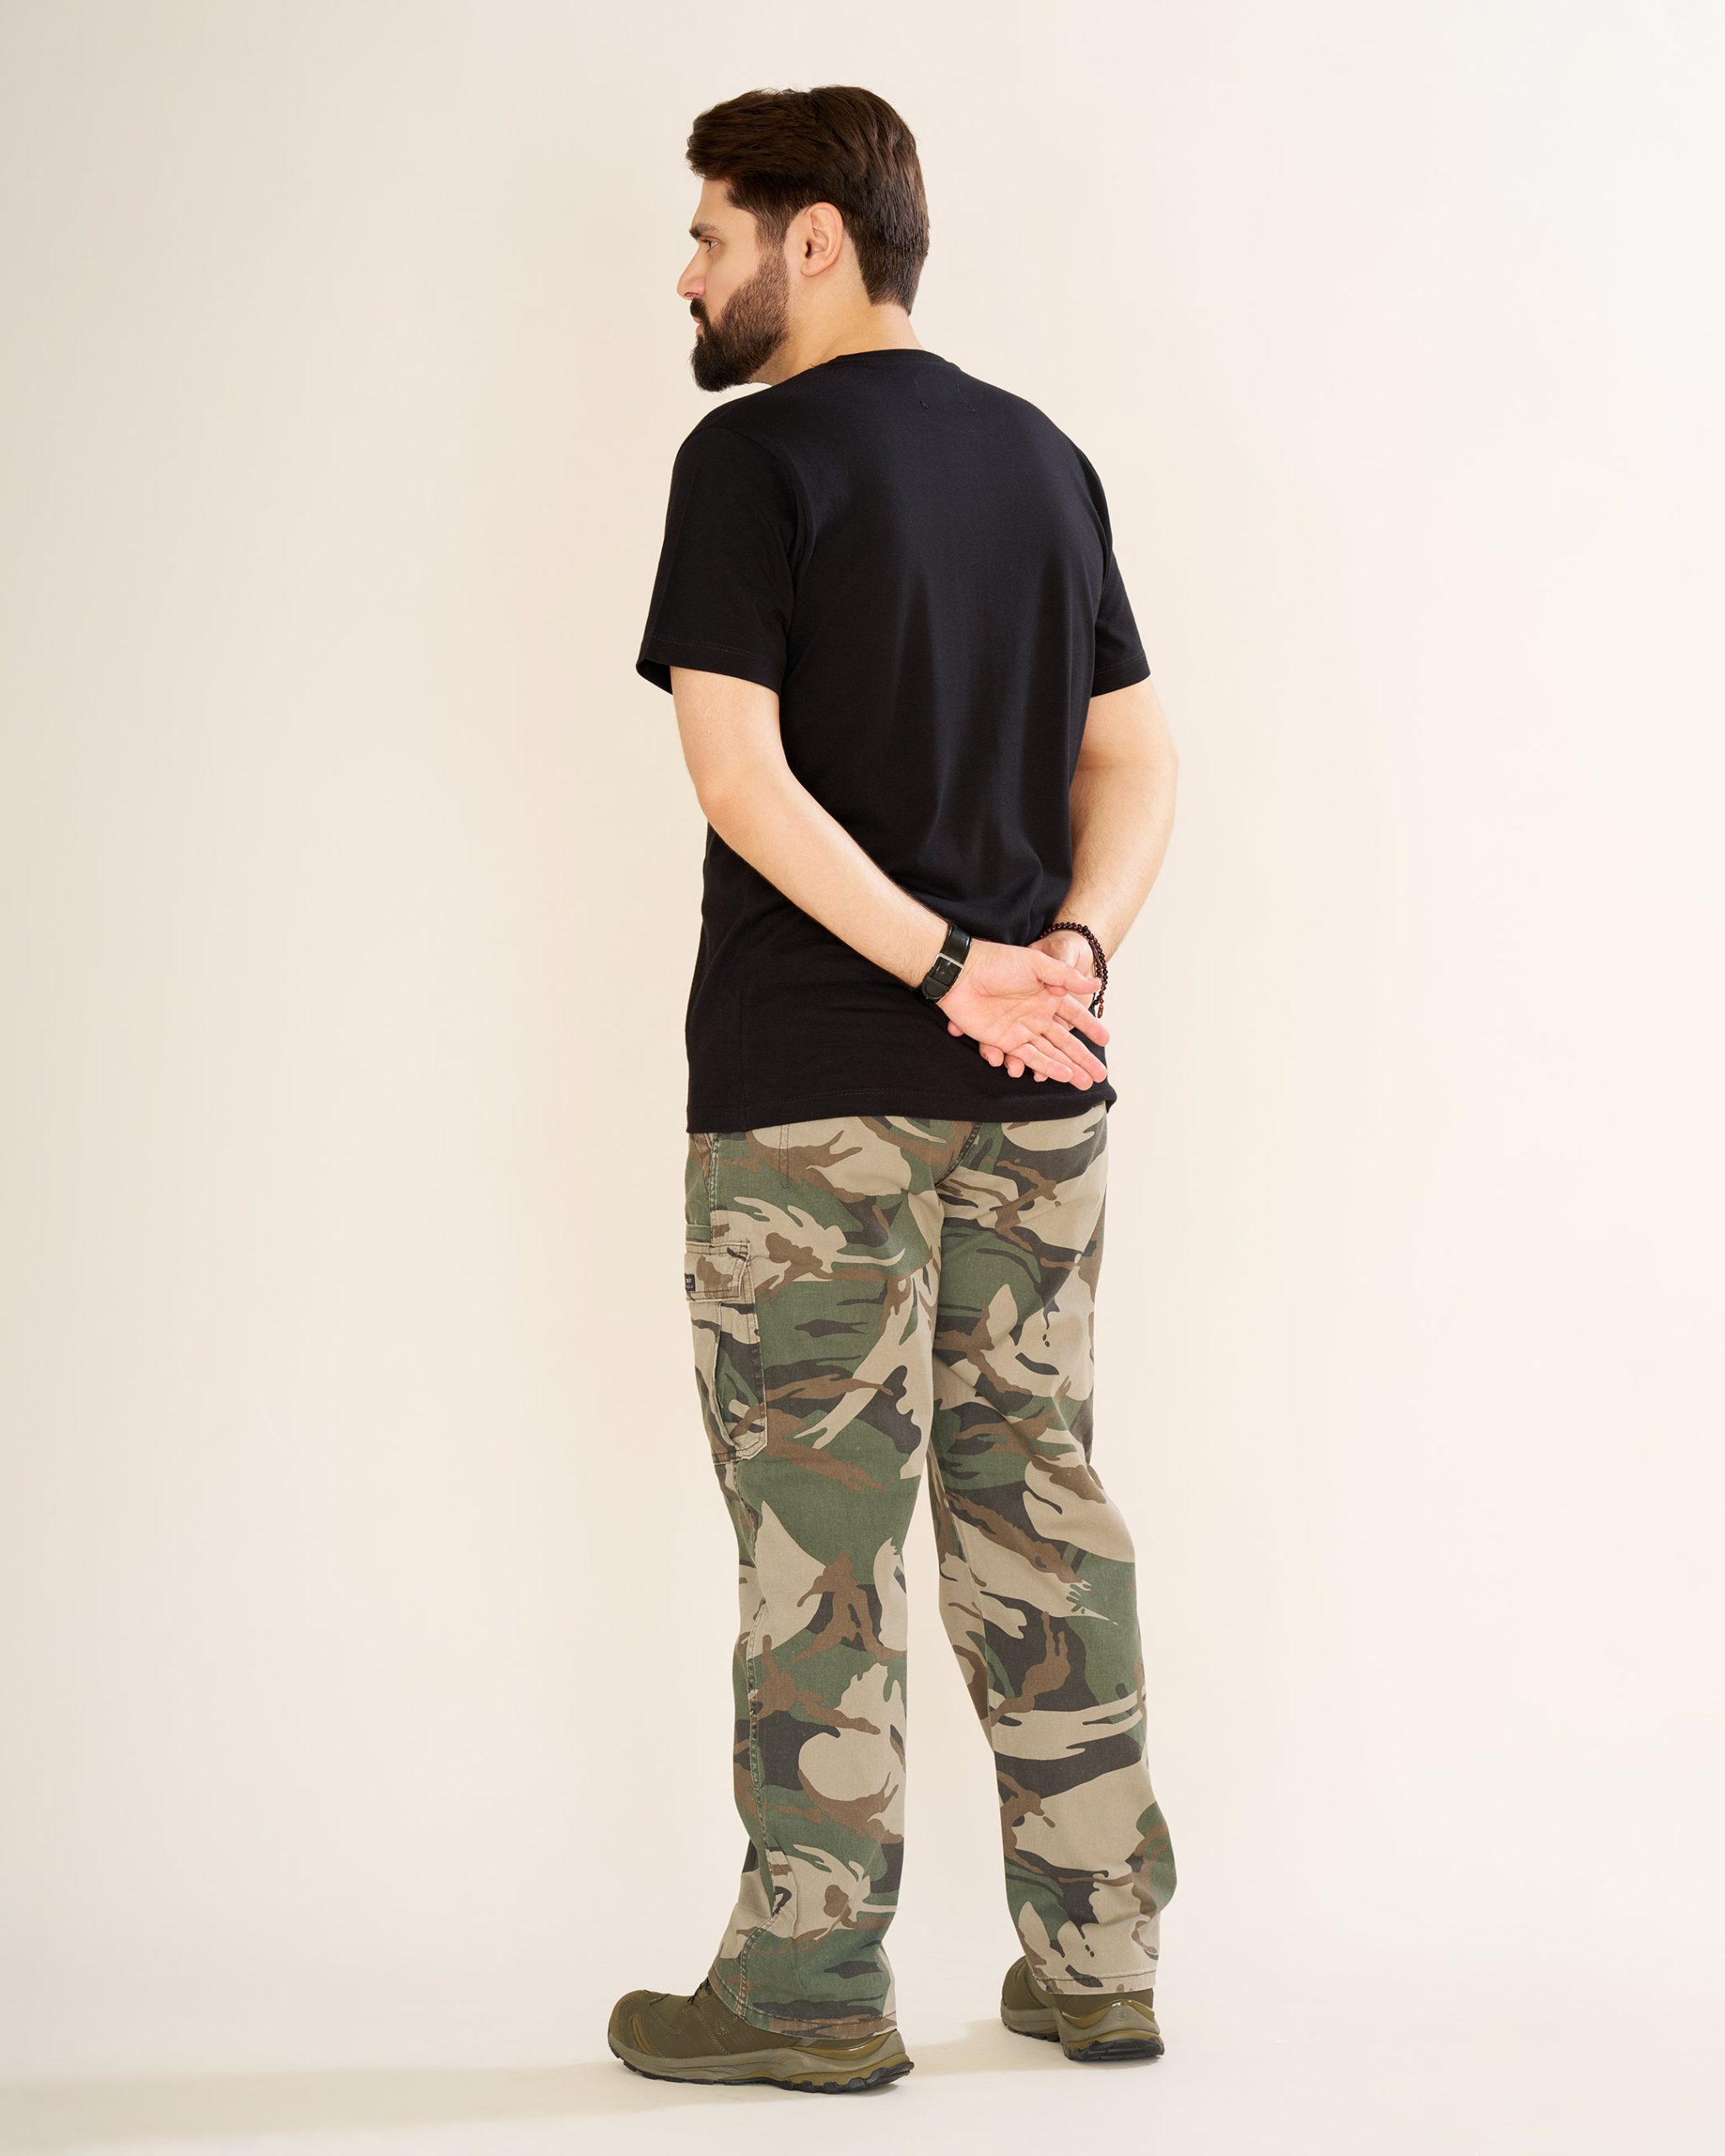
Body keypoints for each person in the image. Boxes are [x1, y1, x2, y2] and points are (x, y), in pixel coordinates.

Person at [608, 83, 1180, 2094]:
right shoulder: (1041, 457)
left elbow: (738, 775)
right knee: (1041, 1503)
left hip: (812, 1108)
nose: (689, 273)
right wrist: (1067, 954)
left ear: (814, 237)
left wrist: (957, 965)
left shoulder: (749, 457)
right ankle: (1098, 1956)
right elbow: (1138, 754)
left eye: (711, 233)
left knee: (820, 1529)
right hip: (1037, 1098)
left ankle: (806, 1982)